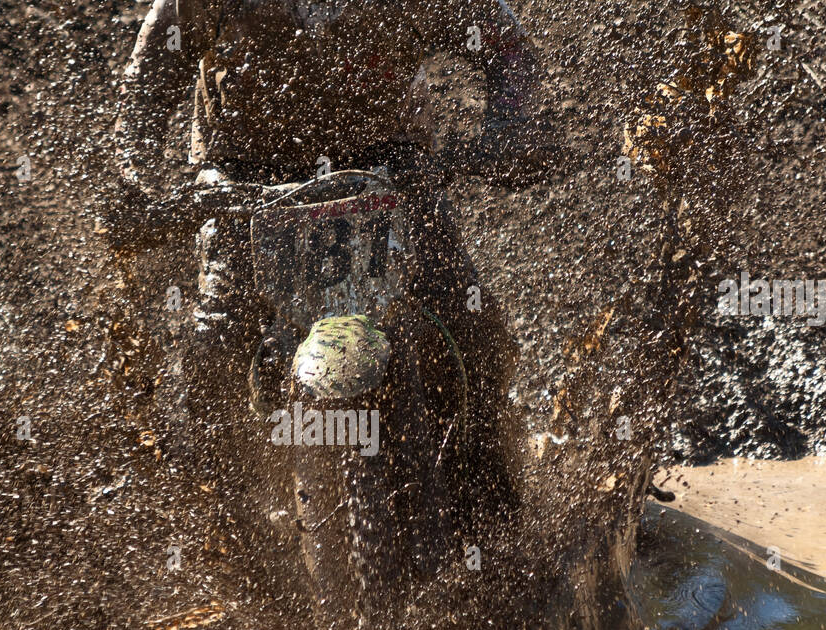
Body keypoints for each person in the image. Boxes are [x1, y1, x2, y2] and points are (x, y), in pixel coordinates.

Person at [114, 0, 554, 529]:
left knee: (470, 327)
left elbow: (503, 43)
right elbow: (149, 79)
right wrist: (138, 178)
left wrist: (510, 127)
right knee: (214, 354)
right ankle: (233, 535)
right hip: (242, 184)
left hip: (389, 171)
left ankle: (500, 516)